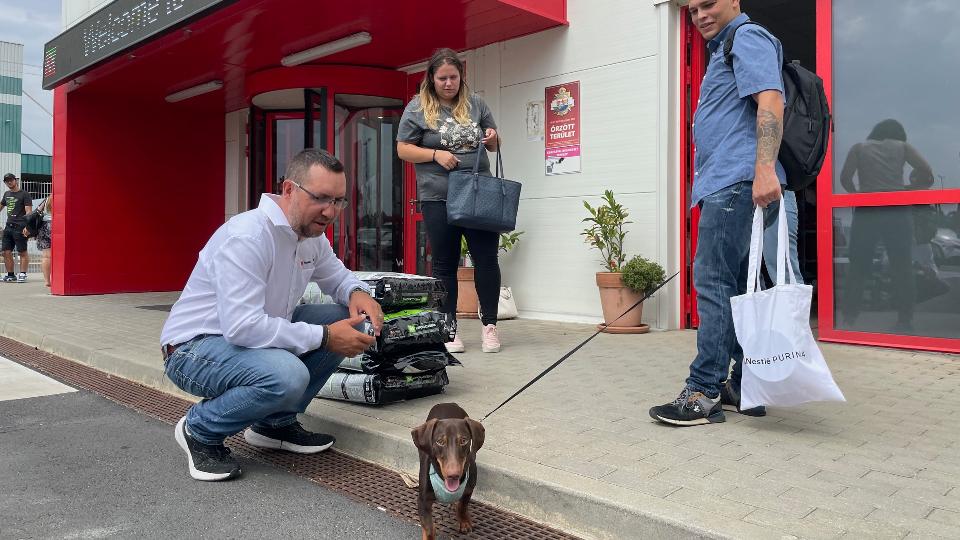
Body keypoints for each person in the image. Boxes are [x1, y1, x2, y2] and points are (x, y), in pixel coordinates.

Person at [160, 149, 384, 481]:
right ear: (289, 189)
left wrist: (357, 292)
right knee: (287, 374)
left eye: (339, 201)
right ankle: (200, 430)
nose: (331, 211)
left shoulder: (311, 235)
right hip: (193, 349)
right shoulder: (248, 236)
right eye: (321, 198)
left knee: (346, 316)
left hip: (246, 339)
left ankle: (274, 425)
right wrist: (324, 336)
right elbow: (242, 327)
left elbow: (336, 277)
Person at [650, 0, 786, 426]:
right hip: (733, 181)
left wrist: (763, 167)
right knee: (739, 289)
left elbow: (771, 98)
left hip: (736, 181)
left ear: (734, 1)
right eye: (691, 11)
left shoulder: (747, 37)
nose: (699, 15)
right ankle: (743, 385)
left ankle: (703, 391)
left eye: (708, 3)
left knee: (712, 283)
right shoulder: (724, 48)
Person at [396, 48, 503, 354]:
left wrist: (493, 137)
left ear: (461, 76)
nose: (448, 83)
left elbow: (494, 143)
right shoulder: (417, 108)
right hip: (438, 195)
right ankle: (449, 328)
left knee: (487, 259)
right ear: (431, 78)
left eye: (453, 77)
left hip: (478, 191)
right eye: (442, 78)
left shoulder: (476, 103)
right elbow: (403, 149)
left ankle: (490, 327)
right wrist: (435, 154)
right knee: (445, 263)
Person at [838, 119, 933, 333]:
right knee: (902, 266)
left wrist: (857, 196)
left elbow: (845, 178)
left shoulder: (859, 148)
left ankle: (849, 318)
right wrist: (908, 189)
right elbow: (927, 172)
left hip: (867, 211)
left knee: (858, 265)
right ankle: (905, 319)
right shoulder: (902, 147)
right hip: (897, 212)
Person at [2, 173, 31, 283]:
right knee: (6, 252)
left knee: (22, 252)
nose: (9, 182)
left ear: (16, 180)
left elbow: (28, 212)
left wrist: (27, 227)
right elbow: (1, 205)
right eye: (7, 181)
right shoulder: (6, 194)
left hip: (20, 227)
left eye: (11, 180)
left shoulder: (24, 194)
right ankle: (10, 275)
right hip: (8, 227)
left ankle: (23, 274)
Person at [22, 192, 53, 288]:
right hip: (58, 226)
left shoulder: (48, 198)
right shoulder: (62, 197)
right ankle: (57, 278)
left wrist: (27, 227)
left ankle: (47, 281)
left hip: (44, 227)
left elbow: (36, 213)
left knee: (46, 256)